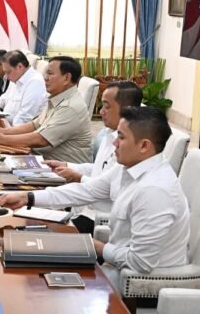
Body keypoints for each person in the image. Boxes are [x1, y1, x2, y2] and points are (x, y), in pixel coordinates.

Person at [0, 106, 190, 287]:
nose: (114, 142)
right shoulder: (128, 167)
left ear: (144, 146)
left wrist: (92, 245)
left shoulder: (154, 191)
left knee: (39, 280)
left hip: (140, 283)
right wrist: (28, 197)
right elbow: (86, 191)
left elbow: (140, 262)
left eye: (121, 137)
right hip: (116, 264)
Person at [47, 81, 143, 234]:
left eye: (107, 106)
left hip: (98, 219)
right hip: (82, 209)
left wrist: (78, 177)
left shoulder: (130, 147)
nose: (101, 111)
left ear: (127, 110)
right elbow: (99, 169)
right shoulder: (109, 134)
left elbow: (108, 188)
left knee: (41, 231)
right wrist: (67, 165)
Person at [0, 56, 92, 163]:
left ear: (66, 78)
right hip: (42, 158)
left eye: (50, 73)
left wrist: (2, 139)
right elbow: (35, 125)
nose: (45, 78)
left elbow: (41, 139)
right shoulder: (57, 97)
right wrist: (4, 131)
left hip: (60, 168)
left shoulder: (70, 107)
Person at [0, 50, 46, 126]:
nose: (6, 76)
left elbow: (24, 118)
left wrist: (5, 131)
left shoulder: (35, 83)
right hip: (5, 123)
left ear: (19, 66)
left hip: (15, 129)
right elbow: (3, 100)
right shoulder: (17, 77)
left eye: (8, 72)